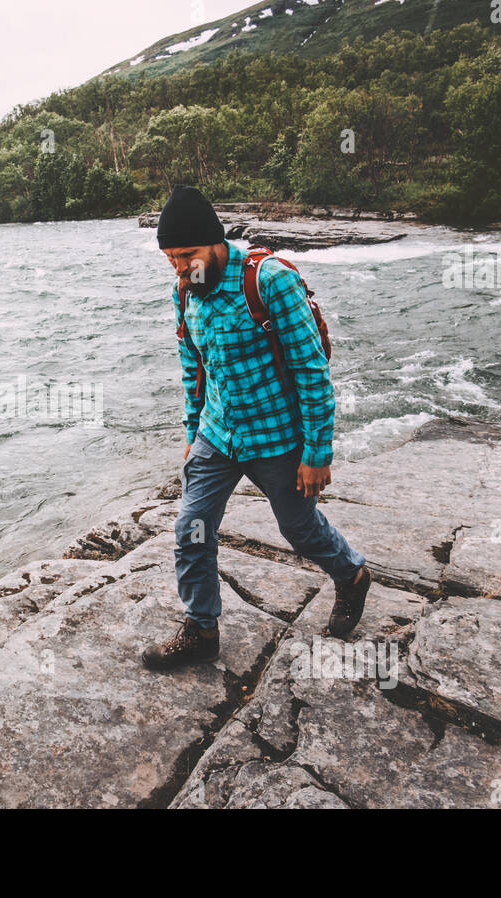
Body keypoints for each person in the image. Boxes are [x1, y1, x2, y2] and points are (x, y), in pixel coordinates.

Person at [142, 185, 371, 671]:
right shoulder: (184, 289)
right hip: (218, 434)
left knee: (299, 529)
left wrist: (317, 452)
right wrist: (191, 430)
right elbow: (192, 362)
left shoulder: (270, 281)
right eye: (170, 258)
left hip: (279, 437)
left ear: (217, 242)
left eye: (188, 255)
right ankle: (201, 629)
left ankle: (351, 576)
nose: (181, 268)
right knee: (192, 529)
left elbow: (311, 369)